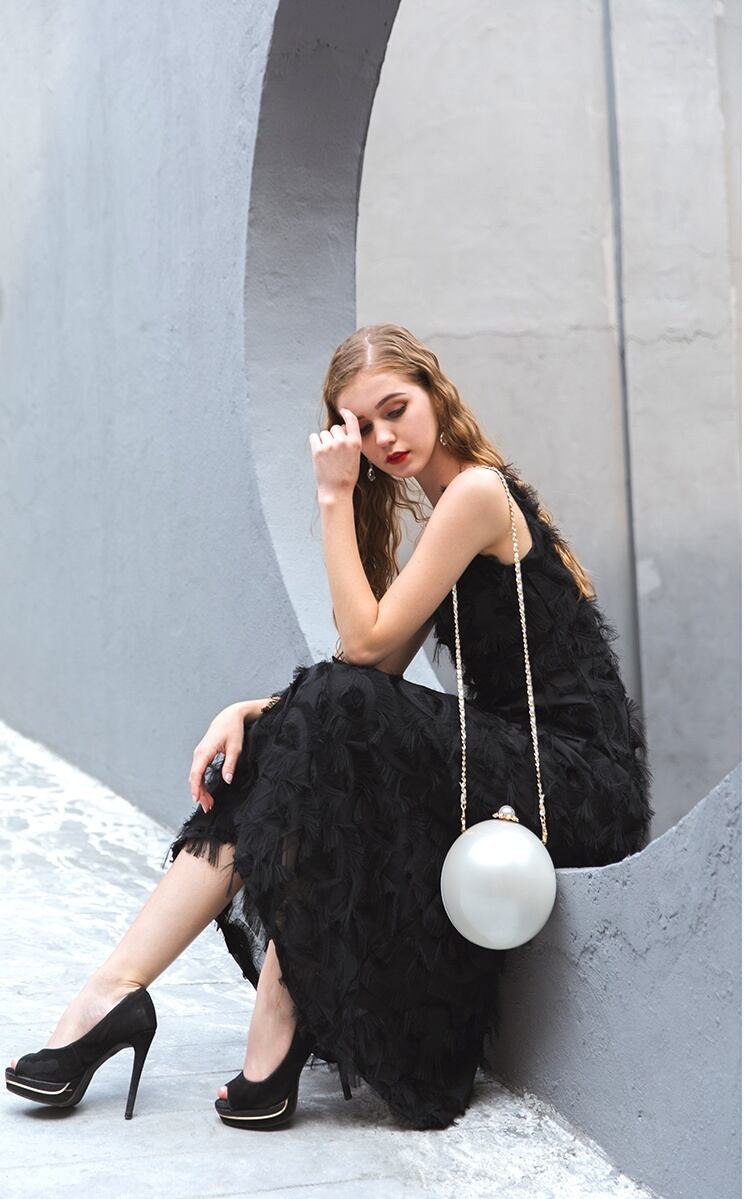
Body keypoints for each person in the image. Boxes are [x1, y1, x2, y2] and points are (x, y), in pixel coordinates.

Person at [6, 323, 653, 1130]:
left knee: (336, 709)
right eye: (364, 427)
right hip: (510, 764)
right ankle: (115, 993)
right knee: (306, 726)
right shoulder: (448, 516)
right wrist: (250, 712)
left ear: (436, 394)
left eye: (396, 410)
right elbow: (369, 666)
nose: (384, 439)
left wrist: (333, 497)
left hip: (575, 779)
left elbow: (364, 650)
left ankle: (266, 1017)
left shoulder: (478, 495)